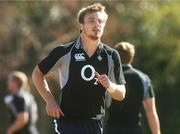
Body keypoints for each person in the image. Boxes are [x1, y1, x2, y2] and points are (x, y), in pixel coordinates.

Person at [32, 3, 126, 134]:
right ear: (81, 26)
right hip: (67, 123)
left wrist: (110, 85)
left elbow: (121, 93)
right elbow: (37, 74)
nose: (97, 24)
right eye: (91, 20)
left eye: (100, 21)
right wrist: (50, 101)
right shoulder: (64, 51)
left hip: (95, 124)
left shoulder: (111, 55)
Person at [105, 42, 161, 134]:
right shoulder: (143, 78)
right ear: (132, 57)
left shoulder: (108, 78)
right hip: (134, 130)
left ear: (115, 56)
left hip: (112, 130)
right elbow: (151, 111)